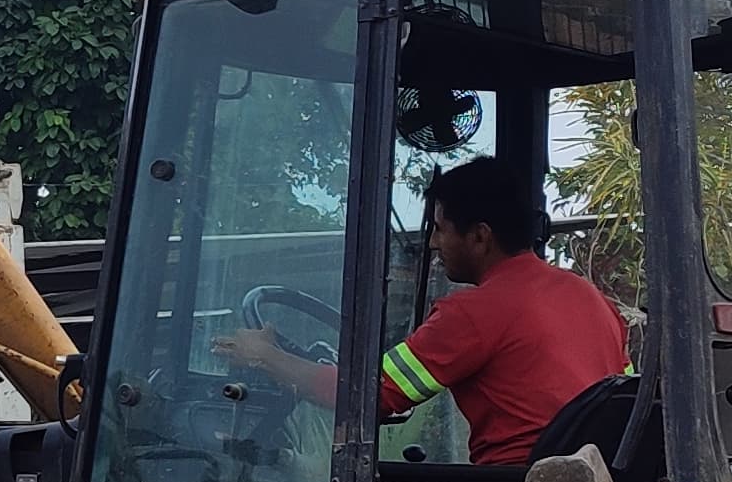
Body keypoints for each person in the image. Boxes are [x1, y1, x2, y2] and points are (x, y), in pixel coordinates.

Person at [214, 156, 626, 466]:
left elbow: (365, 397)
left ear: (479, 236)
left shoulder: (475, 312)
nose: (432, 243)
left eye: (440, 229)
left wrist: (264, 356)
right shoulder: (593, 299)